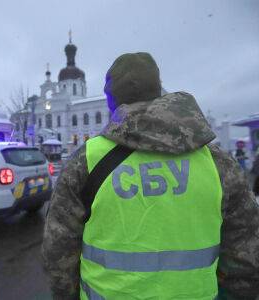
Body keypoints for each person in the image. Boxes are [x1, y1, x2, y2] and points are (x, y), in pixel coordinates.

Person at [42, 52, 259, 299]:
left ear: (112, 99)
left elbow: (58, 251)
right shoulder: (218, 163)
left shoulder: (85, 161)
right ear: (157, 91)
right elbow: (247, 250)